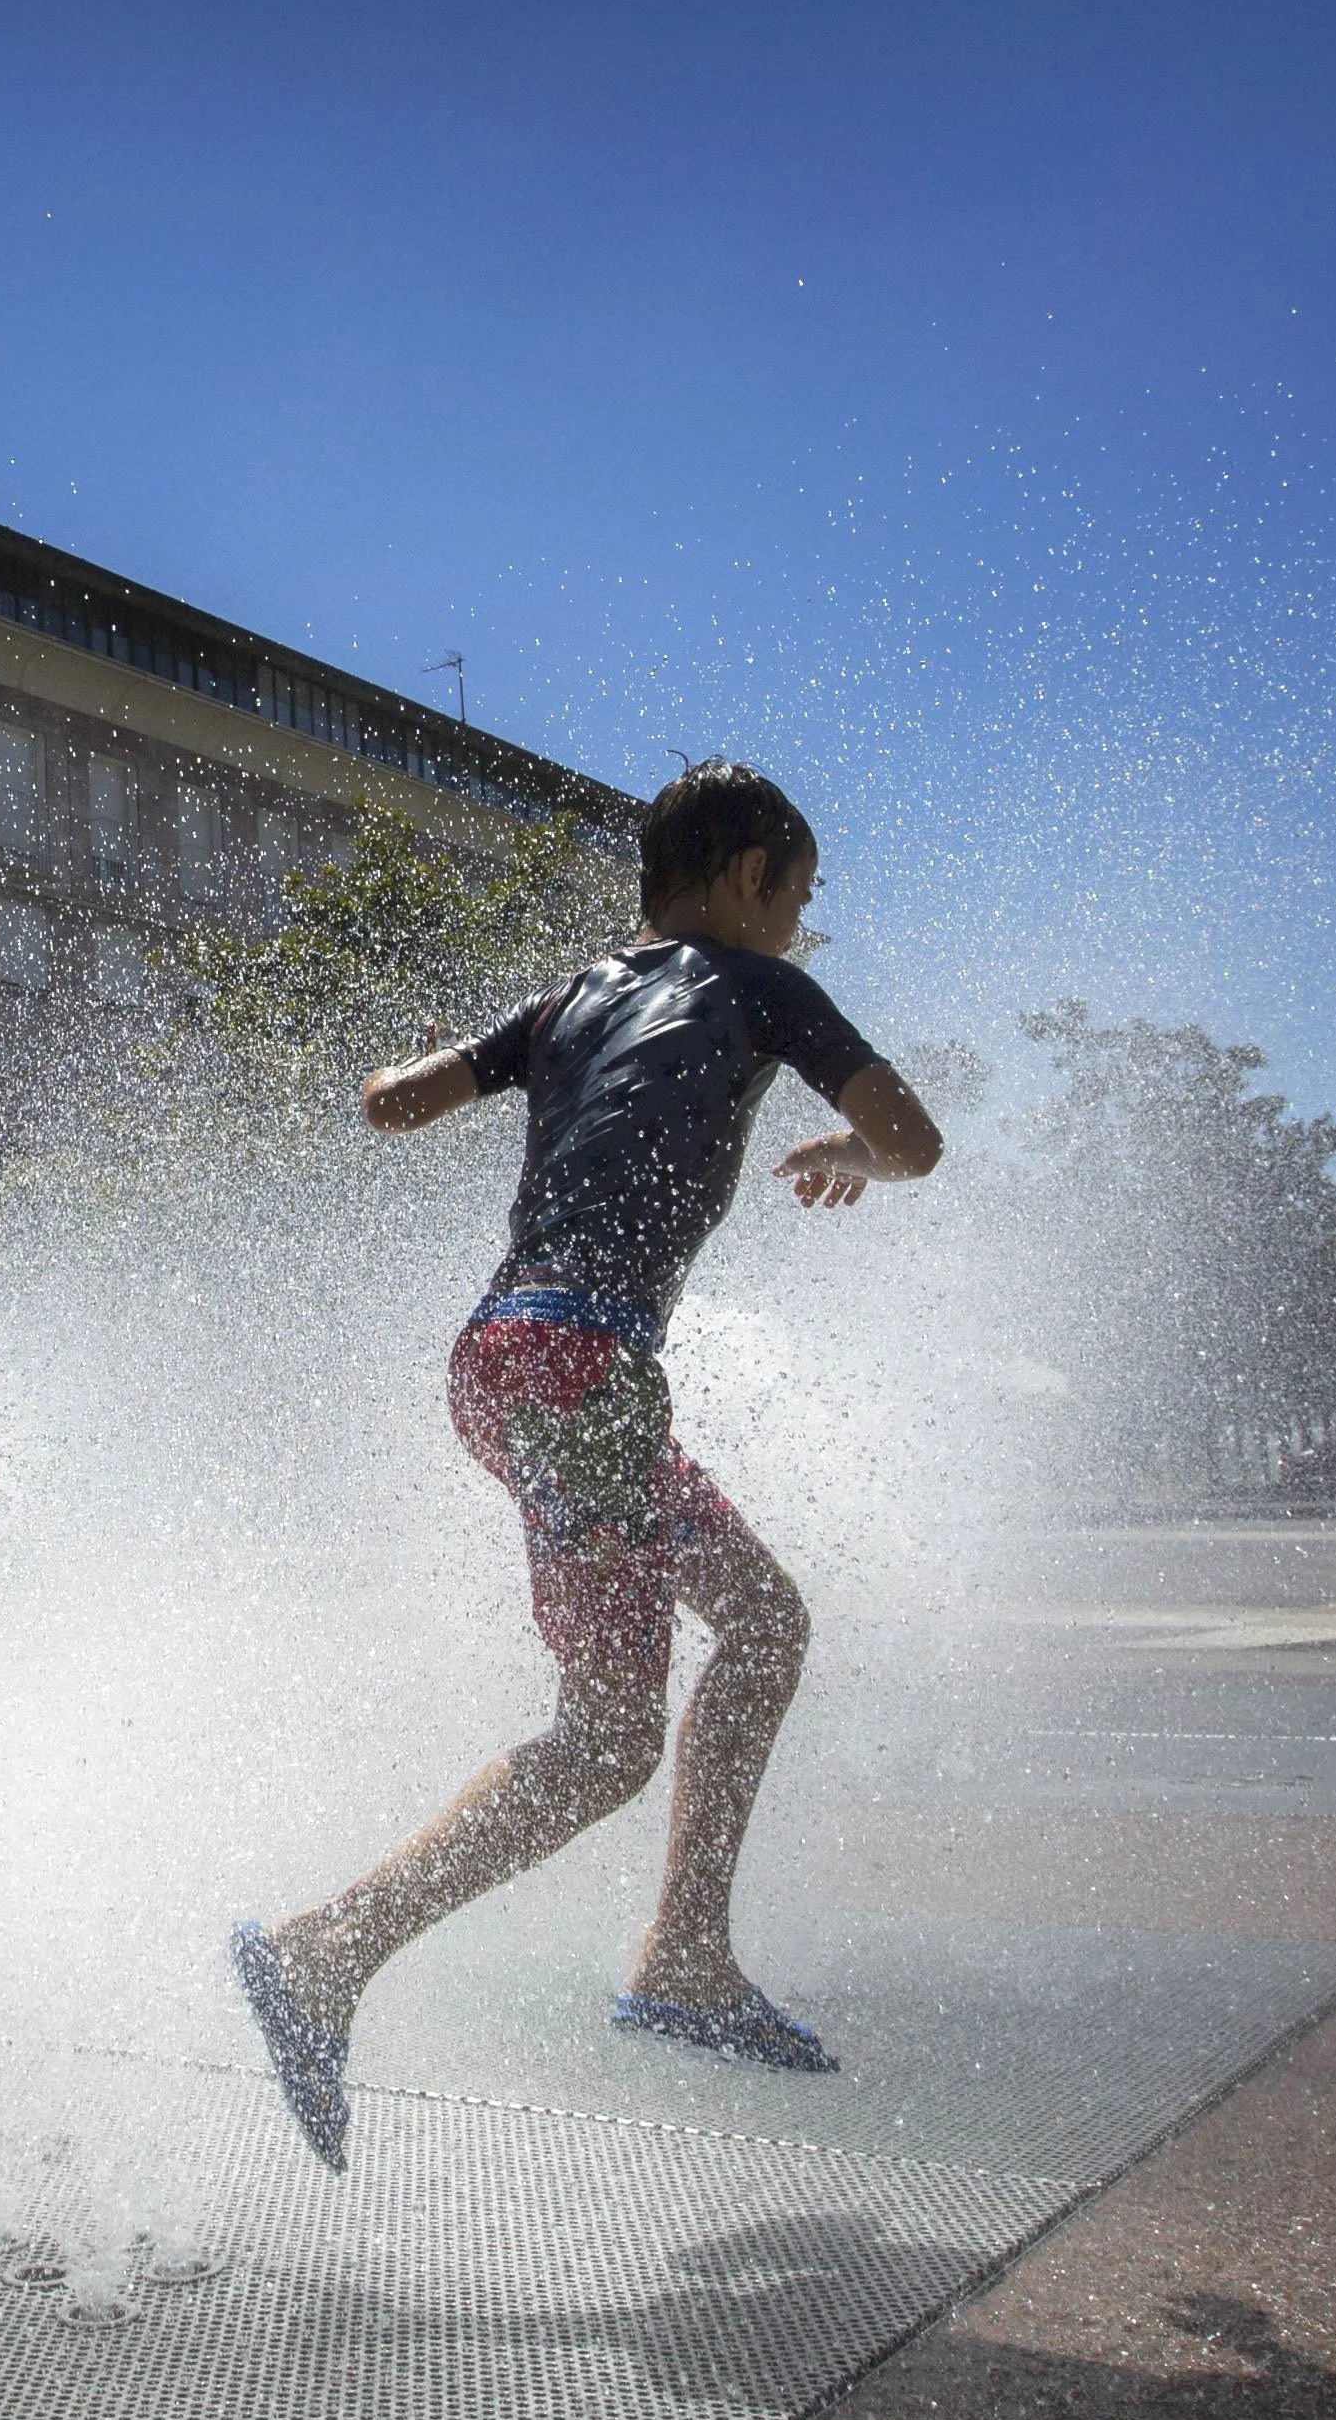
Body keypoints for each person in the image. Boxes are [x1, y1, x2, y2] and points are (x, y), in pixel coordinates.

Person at [230, 764, 945, 2169]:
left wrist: (403, 1060)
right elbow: (918, 1142)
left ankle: (682, 1947)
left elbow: (391, 1105)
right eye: (798, 900)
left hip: (507, 1357)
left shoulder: (564, 996)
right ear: (747, 873)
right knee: (610, 1735)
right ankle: (328, 1951)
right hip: (583, 1372)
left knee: (759, 1618)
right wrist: (857, 1152)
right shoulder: (756, 987)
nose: (800, 928)